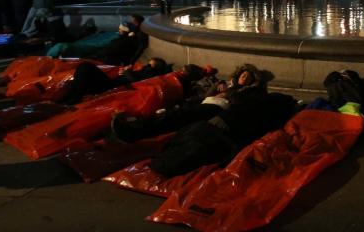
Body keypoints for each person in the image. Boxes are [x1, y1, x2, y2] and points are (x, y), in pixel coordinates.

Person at [113, 64, 298, 177]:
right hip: (207, 103)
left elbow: (243, 106)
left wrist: (229, 95)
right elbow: (205, 96)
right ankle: (137, 127)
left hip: (218, 108)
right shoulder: (227, 84)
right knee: (172, 116)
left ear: (253, 80)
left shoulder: (252, 92)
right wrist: (218, 88)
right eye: (242, 74)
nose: (244, 77)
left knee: (178, 119)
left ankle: (135, 131)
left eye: (248, 77)